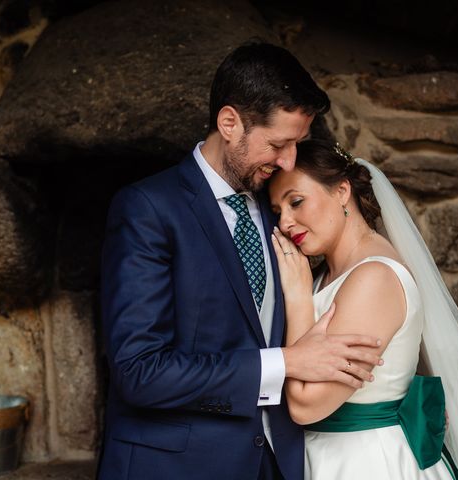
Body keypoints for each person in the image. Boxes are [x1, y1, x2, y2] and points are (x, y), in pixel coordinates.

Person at [98, 43, 383, 480]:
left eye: (297, 145)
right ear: (229, 123)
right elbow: (139, 371)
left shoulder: (282, 211)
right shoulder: (148, 209)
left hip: (278, 462)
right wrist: (286, 363)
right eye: (278, 143)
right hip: (175, 466)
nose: (289, 161)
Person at [269, 140, 458, 480]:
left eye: (296, 202)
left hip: (366, 460)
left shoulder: (374, 279)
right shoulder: (322, 274)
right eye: (278, 211)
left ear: (342, 191)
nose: (286, 222)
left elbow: (306, 405)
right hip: (319, 455)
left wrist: (298, 298)